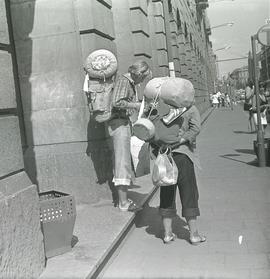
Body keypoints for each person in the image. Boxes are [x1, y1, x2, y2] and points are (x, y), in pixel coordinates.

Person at [147, 78, 206, 245]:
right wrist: (181, 140)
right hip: (184, 156)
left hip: (165, 156)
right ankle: (194, 235)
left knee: (167, 193)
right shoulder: (190, 108)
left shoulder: (162, 108)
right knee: (189, 194)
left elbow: (151, 131)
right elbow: (195, 128)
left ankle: (167, 234)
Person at [107, 60, 151, 212]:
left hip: (122, 123)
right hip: (118, 124)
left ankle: (123, 199)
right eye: (143, 77)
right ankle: (123, 203)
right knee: (122, 162)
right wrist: (136, 105)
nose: (143, 80)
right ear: (138, 73)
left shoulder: (127, 82)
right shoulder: (124, 81)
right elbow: (116, 102)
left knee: (123, 162)